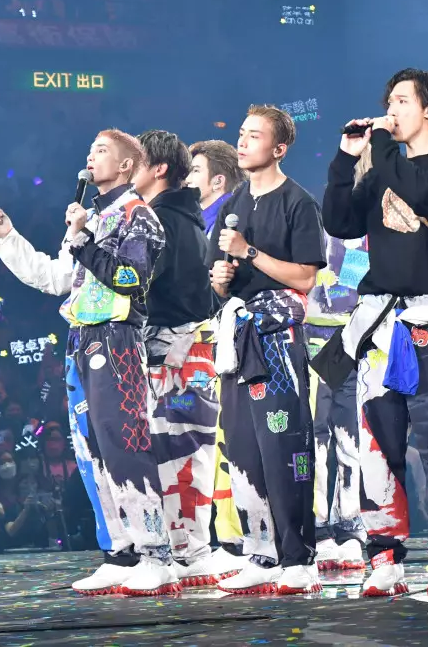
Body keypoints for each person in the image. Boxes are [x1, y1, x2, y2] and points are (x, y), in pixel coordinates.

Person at [0, 129, 175, 595]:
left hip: (116, 339)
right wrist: (10, 238)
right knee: (91, 452)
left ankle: (155, 553)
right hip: (79, 340)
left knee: (124, 444)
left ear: (127, 165)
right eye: (90, 150)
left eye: (102, 150)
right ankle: (119, 552)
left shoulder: (138, 215)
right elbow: (58, 279)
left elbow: (130, 279)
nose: (91, 157)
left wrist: (84, 241)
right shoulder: (92, 218)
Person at [322, 68, 428, 596]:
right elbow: (339, 222)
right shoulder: (380, 169)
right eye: (388, 102)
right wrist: (346, 160)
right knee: (378, 446)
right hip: (380, 329)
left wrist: (382, 146)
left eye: (401, 101)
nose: (390, 110)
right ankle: (384, 555)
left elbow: (414, 191)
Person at [209, 104, 325, 595]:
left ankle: (299, 558)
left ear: (279, 148)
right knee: (242, 448)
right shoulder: (233, 202)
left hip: (278, 339)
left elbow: (306, 277)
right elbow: (220, 278)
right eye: (241, 132)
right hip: (237, 339)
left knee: (285, 445)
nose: (242, 141)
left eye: (254, 135)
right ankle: (260, 553)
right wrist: (220, 279)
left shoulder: (298, 202)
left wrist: (248, 253)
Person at [133, 130, 228, 586]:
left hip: (180, 357)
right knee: (176, 453)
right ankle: (185, 551)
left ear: (159, 169)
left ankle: (192, 554)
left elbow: (139, 286)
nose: (129, 168)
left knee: (182, 454)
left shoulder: (164, 222)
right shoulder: (179, 217)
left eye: (136, 160)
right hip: (183, 355)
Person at [305, 149, 372, 572]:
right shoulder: (317, 221)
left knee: (350, 437)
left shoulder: (372, 230)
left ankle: (347, 525)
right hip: (317, 338)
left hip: (357, 340)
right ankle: (318, 528)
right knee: (318, 436)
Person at [184, 140, 246, 567]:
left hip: (225, 341)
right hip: (200, 343)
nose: (186, 178)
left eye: (194, 171)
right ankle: (225, 539)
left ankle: (236, 540)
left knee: (228, 440)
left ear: (218, 181)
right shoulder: (197, 221)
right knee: (208, 441)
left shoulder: (230, 221)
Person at [187, 140, 245, 238]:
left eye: (196, 171)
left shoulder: (227, 223)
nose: (187, 180)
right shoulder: (200, 219)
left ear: (218, 182)